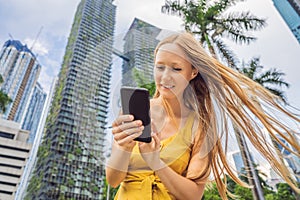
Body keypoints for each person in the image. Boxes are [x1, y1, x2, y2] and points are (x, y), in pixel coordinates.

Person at [106, 32, 300, 200]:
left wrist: (155, 161)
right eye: (160, 67)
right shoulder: (133, 112)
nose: (165, 77)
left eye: (176, 68)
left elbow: (193, 195)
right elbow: (113, 180)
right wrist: (123, 147)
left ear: (193, 72)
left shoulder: (200, 127)